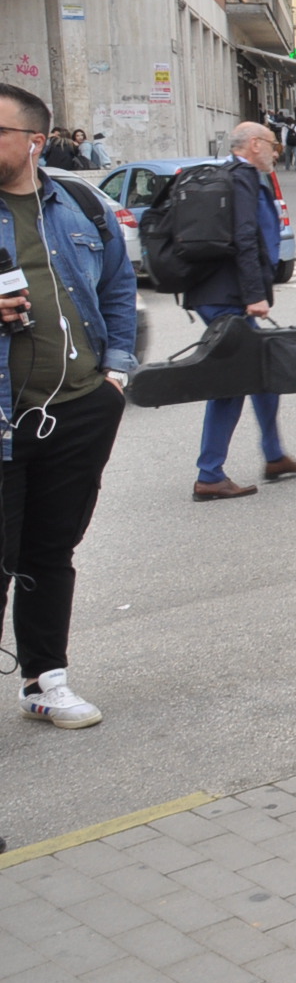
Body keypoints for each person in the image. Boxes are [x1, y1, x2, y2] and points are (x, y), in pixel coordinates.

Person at [0, 84, 137, 730]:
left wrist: (115, 373)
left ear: (32, 141)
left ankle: (44, 680)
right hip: (3, 421)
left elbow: (118, 285)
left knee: (51, 551)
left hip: (81, 409)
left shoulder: (82, 203)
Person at [187, 122, 296, 501]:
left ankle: (274, 456)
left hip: (217, 291)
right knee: (232, 382)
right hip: (228, 295)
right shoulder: (241, 177)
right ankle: (209, 474)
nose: (277, 152)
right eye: (273, 145)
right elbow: (244, 236)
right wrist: (254, 295)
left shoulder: (229, 174)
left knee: (261, 370)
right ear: (255, 145)